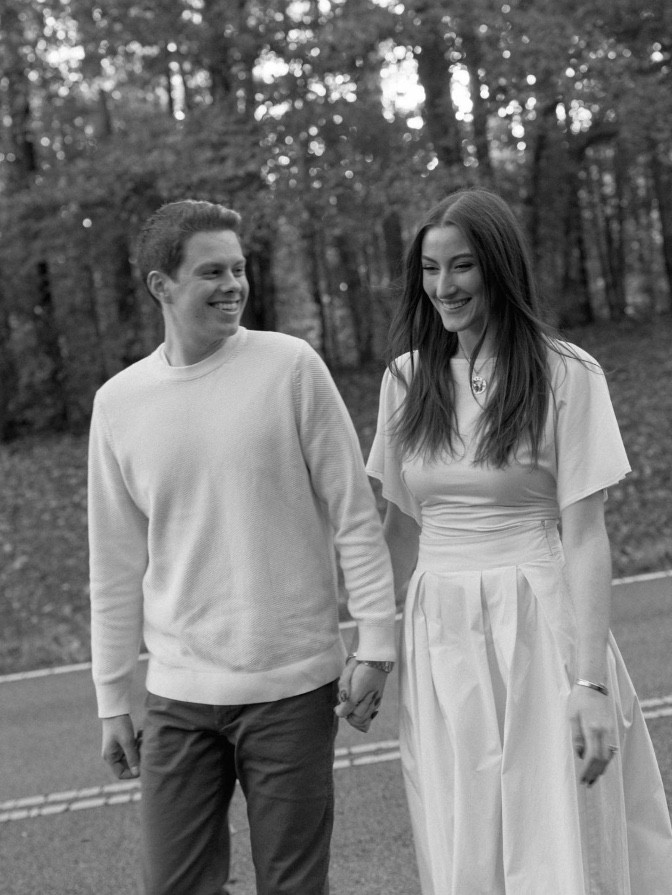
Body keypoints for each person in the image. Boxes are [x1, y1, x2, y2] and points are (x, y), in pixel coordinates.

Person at [364, 187, 672, 893]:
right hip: (439, 634)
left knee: (556, 839)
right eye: (430, 269)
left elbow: (586, 537)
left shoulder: (566, 372)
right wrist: (372, 650)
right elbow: (400, 530)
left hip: (538, 621)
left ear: (499, 267)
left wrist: (590, 682)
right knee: (465, 838)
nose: (444, 286)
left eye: (462, 265)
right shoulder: (405, 380)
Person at [87, 199, 396, 895]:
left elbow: (353, 513)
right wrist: (112, 696)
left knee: (293, 886)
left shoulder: (290, 367)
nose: (233, 285)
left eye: (238, 268)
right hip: (178, 692)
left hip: (291, 685)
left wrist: (377, 643)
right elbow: (113, 566)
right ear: (161, 285)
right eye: (212, 272)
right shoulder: (119, 404)